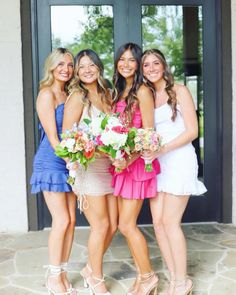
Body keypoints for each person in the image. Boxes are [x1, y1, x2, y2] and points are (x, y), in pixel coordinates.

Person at [142, 48, 207, 295]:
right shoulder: (147, 94)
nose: (151, 68)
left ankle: (182, 281)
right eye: (146, 65)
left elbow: (192, 131)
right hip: (158, 164)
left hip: (179, 159)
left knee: (170, 222)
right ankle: (172, 276)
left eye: (155, 63)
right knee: (157, 223)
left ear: (164, 65)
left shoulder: (179, 90)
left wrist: (163, 149)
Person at [63, 49, 117, 295]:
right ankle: (96, 278)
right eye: (81, 66)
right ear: (77, 71)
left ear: (98, 67)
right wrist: (86, 153)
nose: (87, 70)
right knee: (101, 225)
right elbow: (68, 138)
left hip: (109, 167)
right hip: (88, 168)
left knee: (113, 224)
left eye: (91, 65)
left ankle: (88, 268)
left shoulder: (106, 95)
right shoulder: (77, 97)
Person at [111, 43, 160, 295]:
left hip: (137, 165)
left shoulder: (142, 90)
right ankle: (143, 276)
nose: (126, 64)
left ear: (138, 64)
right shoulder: (119, 91)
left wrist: (129, 160)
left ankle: (149, 276)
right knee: (123, 224)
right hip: (121, 164)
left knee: (127, 225)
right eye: (122, 59)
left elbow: (149, 134)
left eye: (131, 60)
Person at [30, 48, 77, 295]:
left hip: (69, 159)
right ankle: (53, 277)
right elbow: (52, 137)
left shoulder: (70, 93)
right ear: (51, 67)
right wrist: (72, 162)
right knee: (60, 220)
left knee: (71, 221)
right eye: (61, 64)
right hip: (52, 160)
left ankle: (63, 272)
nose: (66, 70)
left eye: (70, 65)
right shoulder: (46, 94)